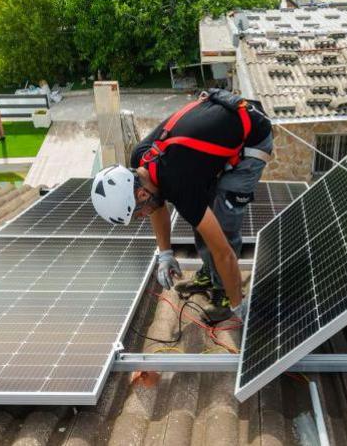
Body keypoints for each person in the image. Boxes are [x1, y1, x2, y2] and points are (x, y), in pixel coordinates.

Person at [90, 89, 273, 323]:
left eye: (139, 213)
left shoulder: (178, 183)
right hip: (223, 125)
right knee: (199, 212)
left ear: (141, 192)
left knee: (222, 221)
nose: (144, 216)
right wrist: (165, 254)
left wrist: (239, 305)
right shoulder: (140, 161)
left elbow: (224, 253)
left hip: (253, 138)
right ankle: (210, 273)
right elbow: (157, 206)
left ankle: (225, 295)